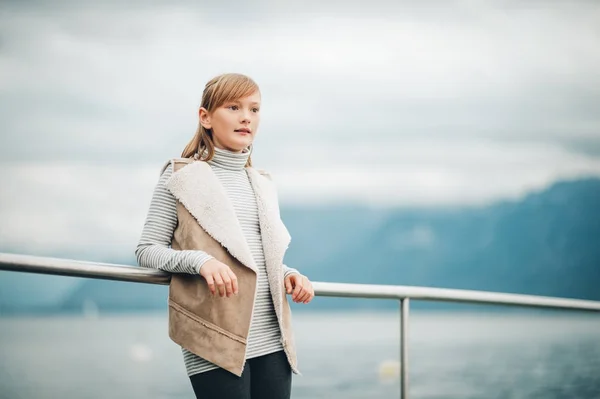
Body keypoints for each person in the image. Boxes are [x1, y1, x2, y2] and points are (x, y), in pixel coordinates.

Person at [135, 73, 314, 399]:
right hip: (214, 337)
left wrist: (289, 274)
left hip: (274, 337)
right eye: (234, 107)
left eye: (254, 109)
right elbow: (147, 250)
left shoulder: (263, 183)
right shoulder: (180, 176)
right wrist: (200, 261)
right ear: (205, 117)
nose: (246, 116)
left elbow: (255, 256)